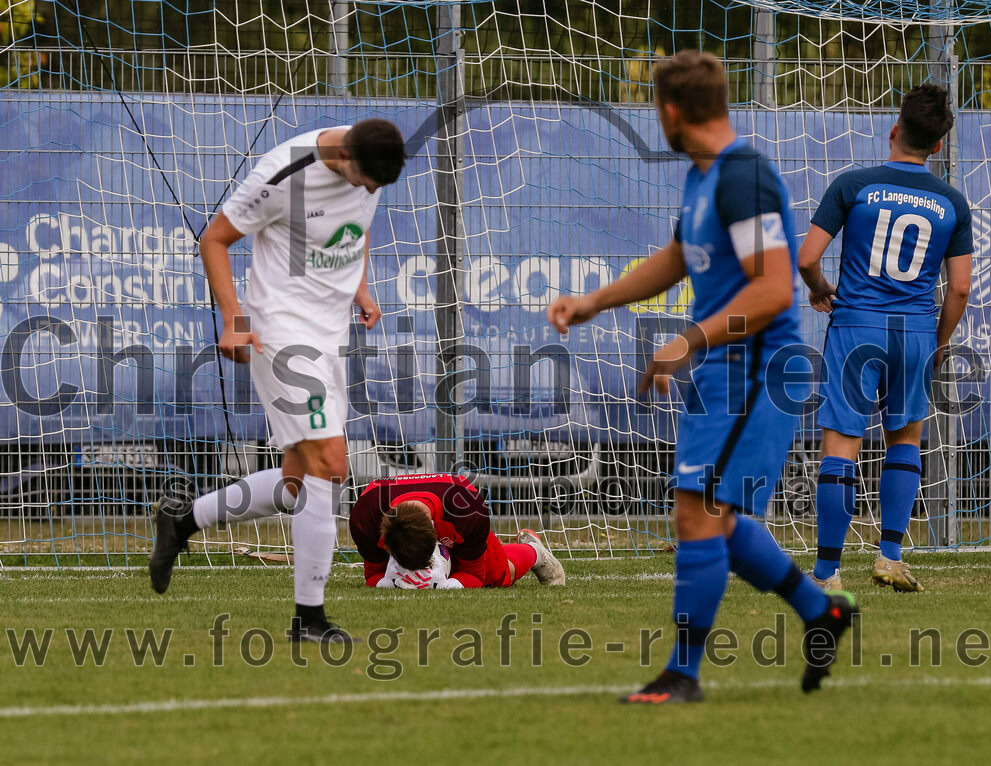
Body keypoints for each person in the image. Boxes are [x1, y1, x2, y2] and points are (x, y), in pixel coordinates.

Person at [547, 50, 857, 704]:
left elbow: (775, 290)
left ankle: (682, 675)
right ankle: (820, 611)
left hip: (756, 370)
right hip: (723, 370)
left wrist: (685, 340)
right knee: (709, 514)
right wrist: (595, 301)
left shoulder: (744, 175)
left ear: (670, 112)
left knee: (698, 513)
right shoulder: (704, 176)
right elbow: (679, 256)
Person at [148, 119, 406, 643]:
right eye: (366, 181)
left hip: (329, 334)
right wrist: (234, 318)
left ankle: (182, 522)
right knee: (331, 464)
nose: (370, 191)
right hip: (281, 331)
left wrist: (359, 287)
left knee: (296, 484)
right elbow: (215, 240)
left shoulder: (370, 165)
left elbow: (358, 224)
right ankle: (308, 619)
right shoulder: (285, 172)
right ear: (347, 158)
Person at [799, 84, 973, 593]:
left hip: (857, 327)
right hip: (916, 330)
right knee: (905, 441)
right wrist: (937, 343)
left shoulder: (854, 185)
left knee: (841, 448)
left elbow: (808, 258)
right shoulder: (952, 201)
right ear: (938, 147)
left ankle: (828, 571)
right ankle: (890, 556)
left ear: (894, 130)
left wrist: (821, 290)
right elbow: (959, 288)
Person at [349, 473, 565, 589]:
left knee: (502, 576)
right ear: (384, 541)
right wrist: (391, 581)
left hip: (458, 527)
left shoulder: (468, 509)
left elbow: (474, 575)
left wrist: (448, 584)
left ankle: (534, 550)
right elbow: (372, 574)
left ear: (436, 533)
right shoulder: (364, 518)